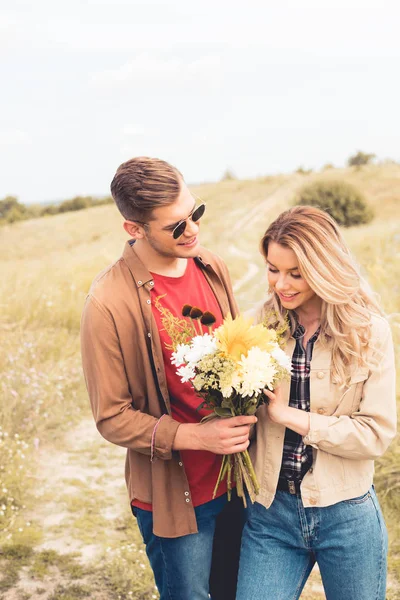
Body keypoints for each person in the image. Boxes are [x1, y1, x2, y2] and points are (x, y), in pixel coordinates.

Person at [80, 156, 254, 600]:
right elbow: (112, 418)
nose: (193, 230)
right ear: (134, 229)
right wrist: (202, 437)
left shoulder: (210, 266)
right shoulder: (107, 301)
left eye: (195, 213)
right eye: (176, 226)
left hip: (240, 482)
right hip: (176, 498)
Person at [236, 205, 396, 600]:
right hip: (270, 514)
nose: (280, 285)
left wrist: (291, 417)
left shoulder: (368, 332)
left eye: (296, 273)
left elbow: (376, 436)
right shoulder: (255, 326)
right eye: (273, 269)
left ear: (324, 269)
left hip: (348, 516)